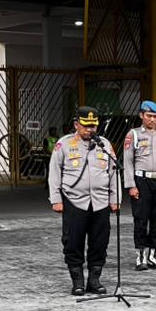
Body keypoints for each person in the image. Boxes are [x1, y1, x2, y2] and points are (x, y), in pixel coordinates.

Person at [48, 106, 119, 296]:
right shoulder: (64, 144)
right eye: (86, 126)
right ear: (76, 124)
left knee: (100, 242)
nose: (90, 130)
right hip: (74, 201)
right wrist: (56, 199)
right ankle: (77, 282)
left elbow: (113, 173)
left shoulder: (104, 144)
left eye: (93, 126)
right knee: (73, 242)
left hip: (101, 202)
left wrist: (115, 198)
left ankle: (94, 281)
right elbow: (54, 173)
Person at [122, 100, 156, 271]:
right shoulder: (134, 135)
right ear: (141, 115)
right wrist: (131, 185)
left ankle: (154, 255)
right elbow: (128, 161)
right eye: (149, 116)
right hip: (142, 182)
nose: (152, 120)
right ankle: (140, 256)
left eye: (155, 116)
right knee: (141, 219)